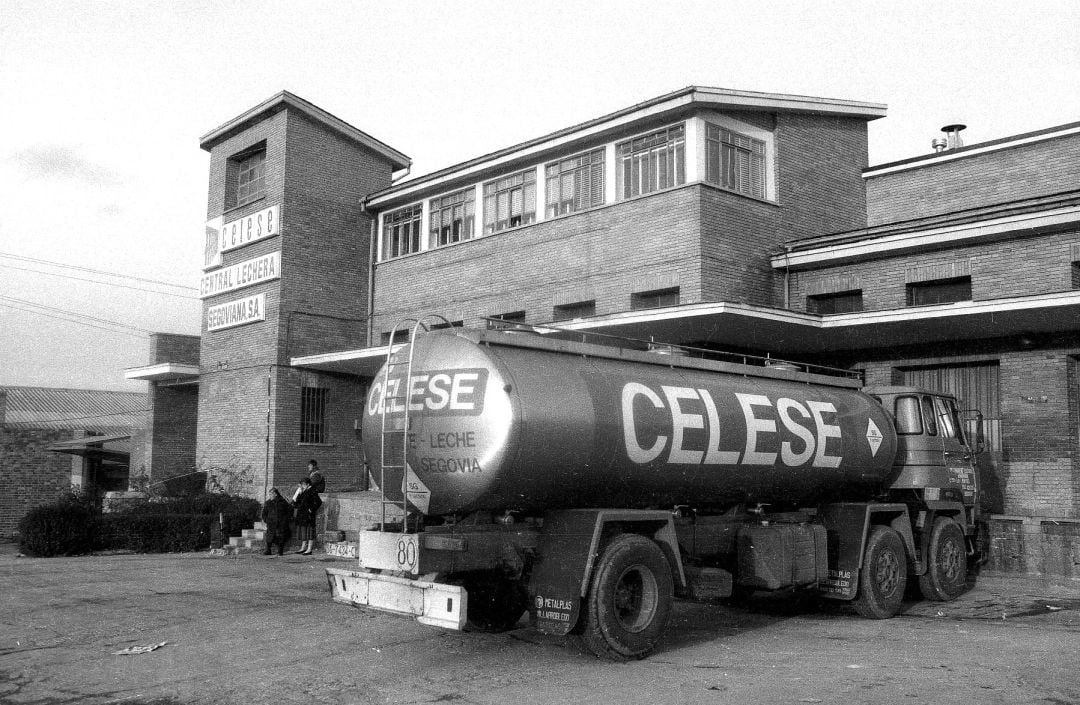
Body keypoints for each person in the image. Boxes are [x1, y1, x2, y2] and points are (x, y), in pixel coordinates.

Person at [292, 477, 322, 555]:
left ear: (308, 484)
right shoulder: (303, 491)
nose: (302, 486)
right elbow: (298, 501)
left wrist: (311, 509)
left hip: (308, 515)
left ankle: (309, 549)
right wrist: (299, 493)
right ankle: (303, 547)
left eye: (303, 484)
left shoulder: (313, 491)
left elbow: (318, 502)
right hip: (302, 514)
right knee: (303, 531)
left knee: (309, 531)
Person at [260, 488, 291, 556]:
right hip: (271, 523)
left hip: (281, 523)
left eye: (271, 494)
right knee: (269, 536)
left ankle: (280, 551)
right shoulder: (268, 503)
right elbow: (264, 514)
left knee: (281, 536)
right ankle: (268, 550)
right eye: (269, 494)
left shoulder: (283, 502)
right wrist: (266, 520)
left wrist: (285, 521)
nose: (269, 495)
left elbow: (288, 512)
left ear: (275, 494)